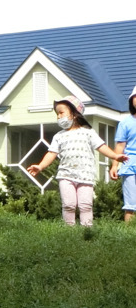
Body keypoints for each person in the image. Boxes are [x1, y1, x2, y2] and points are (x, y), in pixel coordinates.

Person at [29, 95, 127, 227]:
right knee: (68, 205)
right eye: (57, 114)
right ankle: (69, 232)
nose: (58, 116)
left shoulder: (88, 133)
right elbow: (51, 153)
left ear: (74, 114)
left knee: (85, 205)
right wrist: (40, 166)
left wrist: (115, 156)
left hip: (85, 176)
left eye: (61, 113)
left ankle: (87, 231)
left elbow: (101, 146)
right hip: (65, 176)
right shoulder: (59, 136)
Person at [111, 86, 136, 222]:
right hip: (129, 164)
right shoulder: (125, 123)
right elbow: (120, 146)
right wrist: (115, 166)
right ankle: (129, 235)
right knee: (131, 204)